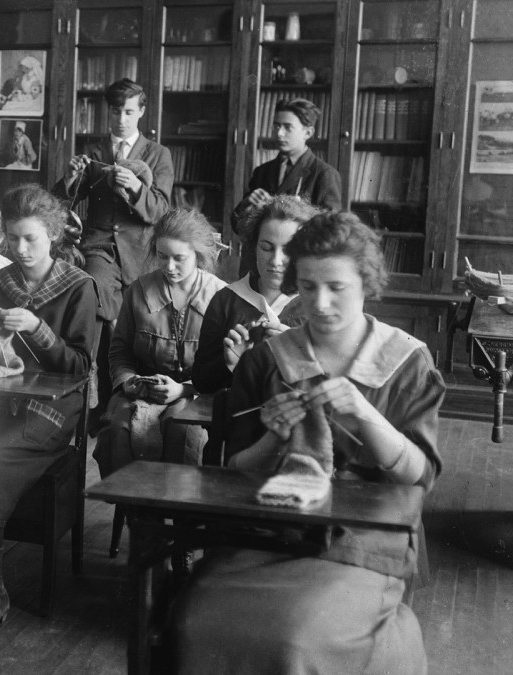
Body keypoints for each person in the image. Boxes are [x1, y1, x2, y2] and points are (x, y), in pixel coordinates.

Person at [171, 211, 444, 675]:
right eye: (309, 285)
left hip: (364, 539)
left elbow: (420, 477)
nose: (319, 303)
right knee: (197, 623)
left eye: (336, 287)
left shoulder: (405, 361)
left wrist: (364, 411)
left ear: (367, 283)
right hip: (271, 528)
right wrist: (274, 438)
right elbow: (239, 467)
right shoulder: (268, 359)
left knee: (296, 637)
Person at [0, 185, 98, 638]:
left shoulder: (80, 287)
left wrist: (40, 330)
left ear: (53, 238)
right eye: (14, 239)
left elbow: (81, 368)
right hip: (1, 402)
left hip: (55, 411)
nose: (20, 250)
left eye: (32, 240)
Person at [54, 78, 175, 421]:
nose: (121, 118)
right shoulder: (93, 153)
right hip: (100, 248)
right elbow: (62, 203)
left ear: (141, 112)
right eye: (115, 110)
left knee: (133, 323)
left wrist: (137, 187)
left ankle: (122, 401)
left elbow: (161, 211)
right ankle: (98, 401)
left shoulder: (157, 154)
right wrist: (70, 178)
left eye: (128, 111)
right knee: (99, 303)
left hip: (141, 252)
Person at [93, 209, 226, 476]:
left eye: (179, 259)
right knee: (118, 429)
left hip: (197, 393)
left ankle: (180, 513)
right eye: (162, 256)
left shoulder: (221, 296)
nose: (169, 267)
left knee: (183, 430)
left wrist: (184, 390)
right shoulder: (139, 290)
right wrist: (128, 380)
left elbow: (224, 366)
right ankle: (137, 511)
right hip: (141, 392)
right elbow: (119, 351)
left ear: (198, 255)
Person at [193, 195, 319, 395]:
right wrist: (229, 363)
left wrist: (298, 354)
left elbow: (336, 387)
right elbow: (201, 383)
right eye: (267, 248)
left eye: (288, 250)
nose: (276, 261)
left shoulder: (318, 303)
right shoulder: (226, 300)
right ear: (253, 247)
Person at [232, 98, 342, 234]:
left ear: (308, 133)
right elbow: (238, 227)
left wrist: (300, 212)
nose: (279, 133)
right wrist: (247, 204)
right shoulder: (262, 171)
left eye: (287, 127)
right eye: (277, 126)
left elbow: (332, 229)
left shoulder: (324, 174)